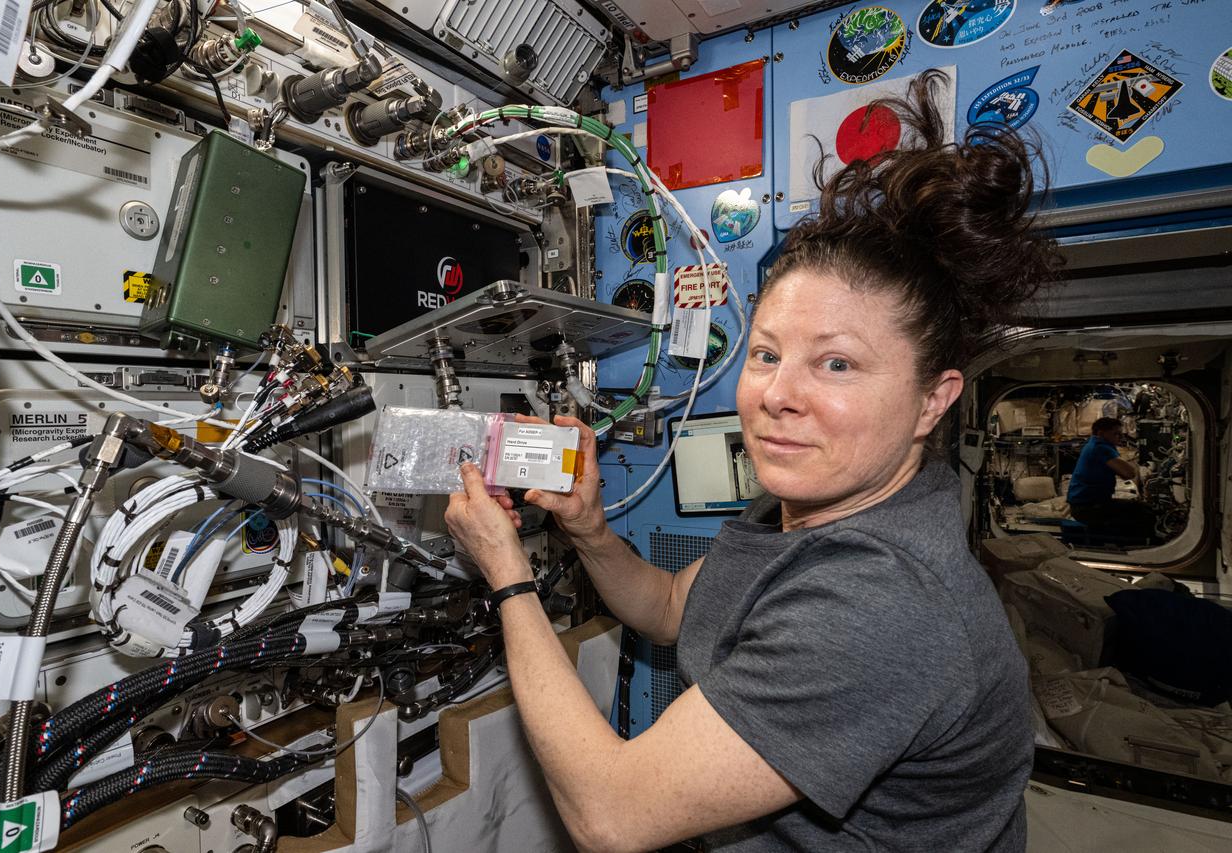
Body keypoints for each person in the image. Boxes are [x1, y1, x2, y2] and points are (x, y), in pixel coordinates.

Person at [444, 69, 1055, 852]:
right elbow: (669, 606)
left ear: (933, 401)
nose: (777, 395)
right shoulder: (808, 508)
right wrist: (592, 531)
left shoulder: (882, 603)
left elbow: (612, 812)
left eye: (836, 364)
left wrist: (508, 574)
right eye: (767, 354)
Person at [1066, 416, 1155, 535]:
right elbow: (1129, 473)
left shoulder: (1093, 444)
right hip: (1088, 508)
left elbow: (1124, 473)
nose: (1121, 437)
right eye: (1116, 434)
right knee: (1145, 513)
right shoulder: (1100, 447)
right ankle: (1139, 545)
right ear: (1101, 433)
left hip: (1084, 504)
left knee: (1144, 508)